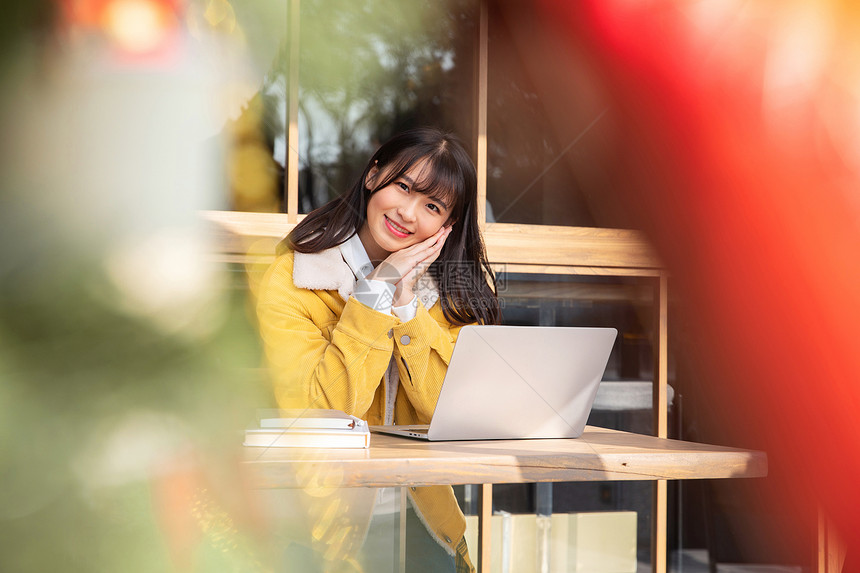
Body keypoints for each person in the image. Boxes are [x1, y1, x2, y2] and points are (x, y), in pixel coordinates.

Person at [256, 127, 500, 572]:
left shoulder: (453, 297)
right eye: (402, 187)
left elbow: (450, 414)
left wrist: (406, 304)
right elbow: (323, 413)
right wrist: (377, 291)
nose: (407, 213)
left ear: (447, 226)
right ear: (373, 177)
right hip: (317, 532)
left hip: (425, 524)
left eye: (432, 205)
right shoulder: (295, 278)